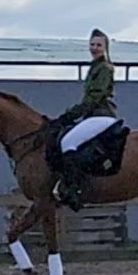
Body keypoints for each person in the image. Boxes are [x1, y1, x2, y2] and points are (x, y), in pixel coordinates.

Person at [52, 28, 120, 210]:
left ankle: (74, 191)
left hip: (101, 114)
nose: (95, 48)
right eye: (92, 45)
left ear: (105, 47)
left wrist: (70, 115)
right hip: (93, 115)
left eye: (99, 45)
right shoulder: (95, 67)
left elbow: (94, 98)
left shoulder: (104, 68)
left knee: (68, 142)